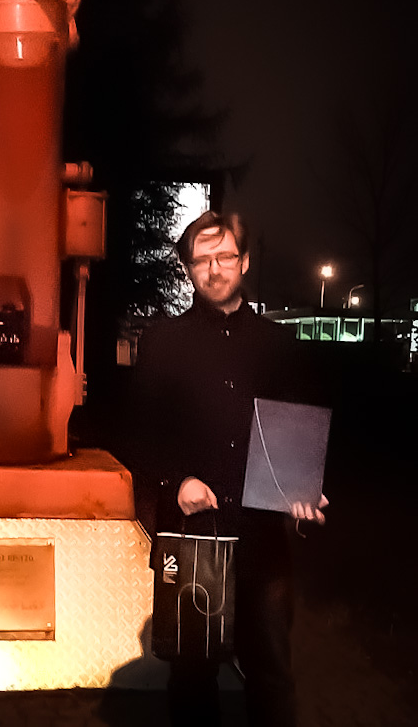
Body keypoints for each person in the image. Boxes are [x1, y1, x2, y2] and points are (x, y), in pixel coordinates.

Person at [126, 210, 328, 727]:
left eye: (225, 256)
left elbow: (298, 428)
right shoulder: (163, 342)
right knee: (192, 678)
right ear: (188, 269)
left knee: (271, 674)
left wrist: (305, 488)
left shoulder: (279, 345)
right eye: (202, 260)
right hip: (194, 535)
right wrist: (176, 482)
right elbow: (141, 437)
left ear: (245, 261)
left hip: (262, 541)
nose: (214, 269)